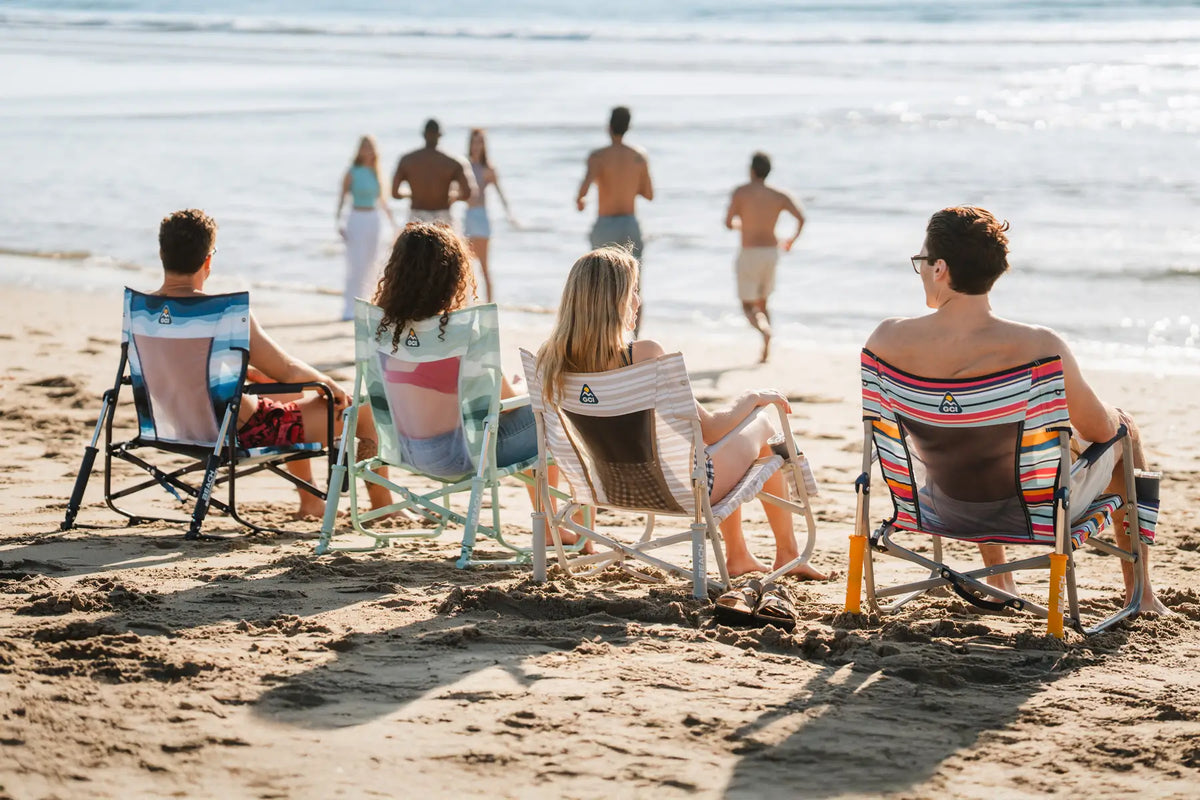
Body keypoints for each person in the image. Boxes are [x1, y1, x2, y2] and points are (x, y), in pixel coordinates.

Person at [865, 206, 1169, 615]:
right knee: (1124, 429)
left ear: (940, 268)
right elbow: (1100, 430)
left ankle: (1001, 579)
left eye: (921, 262)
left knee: (969, 439)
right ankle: (1142, 596)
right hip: (1033, 513)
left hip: (939, 503)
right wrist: (1114, 422)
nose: (920, 270)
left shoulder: (886, 339)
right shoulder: (1040, 347)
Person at [536, 246, 827, 579]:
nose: (638, 301)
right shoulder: (644, 355)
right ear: (613, 300)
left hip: (604, 488)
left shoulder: (552, 362)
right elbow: (712, 430)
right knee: (760, 423)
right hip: (681, 492)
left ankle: (739, 555)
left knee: (711, 448)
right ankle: (787, 554)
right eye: (633, 291)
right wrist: (752, 397)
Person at [154, 209, 393, 519]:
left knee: (282, 392)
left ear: (162, 253)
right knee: (364, 413)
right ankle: (385, 509)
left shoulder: (140, 310)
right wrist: (331, 387)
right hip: (238, 430)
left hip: (173, 425)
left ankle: (311, 502)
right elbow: (289, 370)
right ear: (209, 260)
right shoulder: (226, 313)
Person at [575, 106, 654, 335]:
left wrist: (581, 201)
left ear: (608, 127)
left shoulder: (598, 157)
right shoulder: (639, 156)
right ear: (628, 127)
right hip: (630, 223)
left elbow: (582, 192)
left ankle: (602, 336)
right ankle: (635, 340)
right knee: (634, 284)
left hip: (605, 224)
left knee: (600, 283)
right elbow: (649, 194)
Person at [724, 151, 806, 363]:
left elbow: (727, 222)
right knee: (763, 302)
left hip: (749, 252)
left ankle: (764, 332)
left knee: (746, 305)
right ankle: (766, 348)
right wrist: (790, 241)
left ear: (751, 170)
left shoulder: (741, 192)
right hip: (771, 252)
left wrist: (742, 225)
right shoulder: (779, 195)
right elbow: (801, 218)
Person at [336, 135, 396, 321]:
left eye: (370, 147)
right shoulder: (352, 172)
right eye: (364, 147)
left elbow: (383, 201)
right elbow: (342, 198)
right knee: (355, 264)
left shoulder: (377, 172)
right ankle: (349, 308)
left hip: (374, 218)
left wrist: (394, 224)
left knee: (373, 263)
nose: (368, 150)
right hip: (356, 217)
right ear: (359, 150)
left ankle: (369, 306)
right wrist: (339, 221)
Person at [464, 128, 517, 303]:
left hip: (481, 217)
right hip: (467, 217)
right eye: (474, 142)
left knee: (484, 267)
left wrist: (510, 215)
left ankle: (488, 306)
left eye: (480, 142)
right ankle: (466, 304)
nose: (477, 146)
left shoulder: (488, 168)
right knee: (465, 266)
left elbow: (501, 193)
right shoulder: (464, 165)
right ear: (470, 144)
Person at [392, 119, 475, 226]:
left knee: (414, 243)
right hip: (442, 217)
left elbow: (395, 194)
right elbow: (467, 194)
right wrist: (451, 196)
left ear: (423, 135)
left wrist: (411, 194)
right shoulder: (453, 162)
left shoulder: (407, 160)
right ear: (440, 135)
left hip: (416, 218)